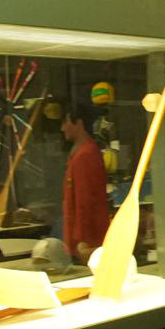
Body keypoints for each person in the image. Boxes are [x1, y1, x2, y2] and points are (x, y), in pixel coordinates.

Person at [60, 100, 110, 262]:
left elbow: (85, 200)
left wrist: (83, 239)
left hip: (86, 242)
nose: (63, 128)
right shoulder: (82, 154)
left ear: (79, 123)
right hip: (80, 239)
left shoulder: (85, 155)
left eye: (66, 122)